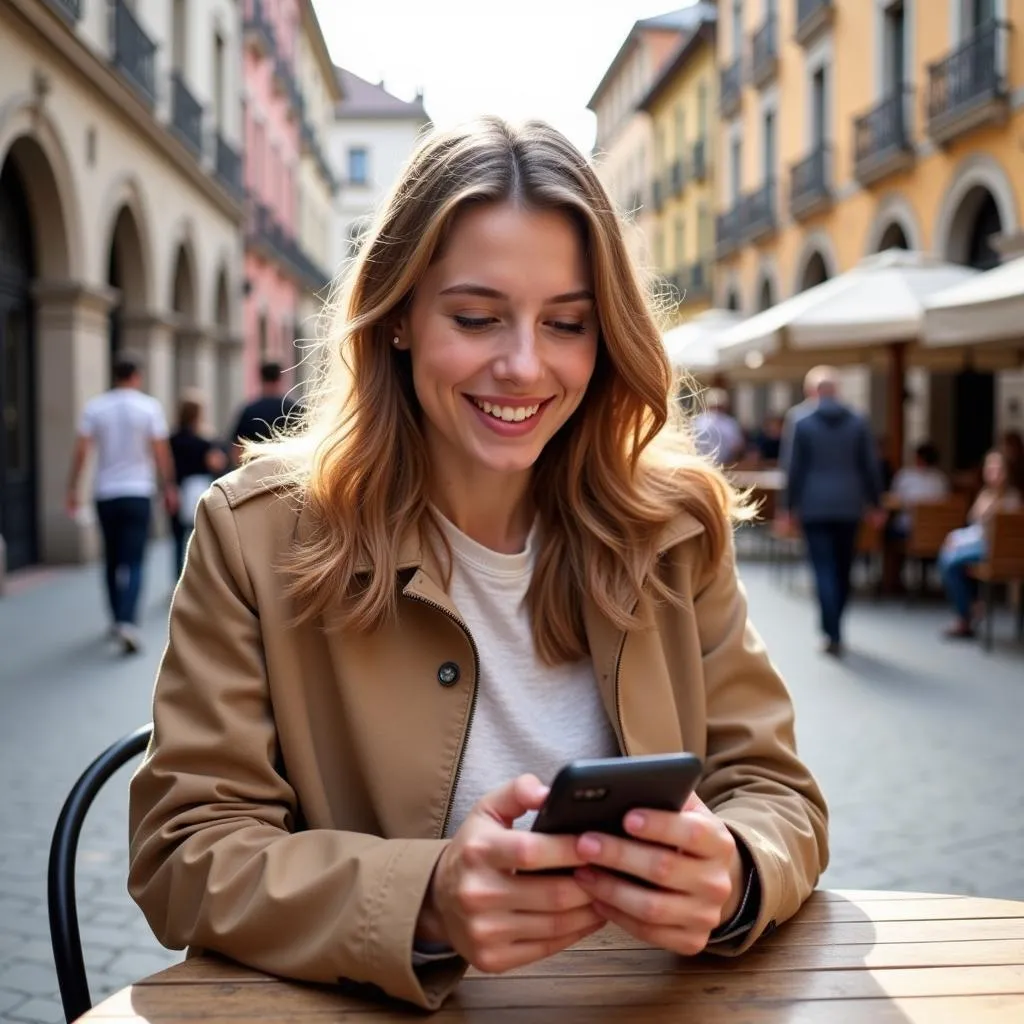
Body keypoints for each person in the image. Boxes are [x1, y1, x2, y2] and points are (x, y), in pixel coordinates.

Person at [128, 117, 828, 1010]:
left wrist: (733, 872)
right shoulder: (256, 533)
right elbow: (184, 850)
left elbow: (776, 793)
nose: (525, 366)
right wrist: (423, 900)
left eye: (568, 323)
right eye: (476, 317)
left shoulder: (674, 527)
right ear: (398, 319)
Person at [66, 353, 177, 654]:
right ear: (136, 376)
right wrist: (169, 486)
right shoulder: (149, 407)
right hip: (138, 492)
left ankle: (117, 618)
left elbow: (82, 451)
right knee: (136, 559)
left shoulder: (96, 407)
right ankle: (128, 620)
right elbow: (160, 452)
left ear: (114, 375)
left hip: (107, 493)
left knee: (112, 559)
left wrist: (73, 488)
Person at [783, 366, 884, 656]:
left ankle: (832, 631)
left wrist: (787, 508)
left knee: (823, 568)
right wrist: (875, 503)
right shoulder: (858, 420)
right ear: (836, 391)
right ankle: (837, 625)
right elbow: (870, 465)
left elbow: (793, 469)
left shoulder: (800, 421)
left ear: (812, 392)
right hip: (850, 505)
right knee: (843, 568)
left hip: (814, 505)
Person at [938, 449, 1022, 639]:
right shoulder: (985, 494)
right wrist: (956, 537)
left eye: (997, 468)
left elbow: (993, 535)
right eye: (989, 467)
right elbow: (975, 528)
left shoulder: (1012, 499)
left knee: (950, 561)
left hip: (997, 552)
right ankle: (971, 605)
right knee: (951, 557)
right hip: (980, 546)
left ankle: (966, 614)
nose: (993, 472)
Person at [168, 390, 228, 579]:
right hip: (199, 488)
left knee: (178, 539)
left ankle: (178, 579)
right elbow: (217, 462)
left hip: (178, 490)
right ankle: (198, 580)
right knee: (201, 537)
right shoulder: (205, 440)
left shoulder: (172, 439)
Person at [230, 361, 301, 464]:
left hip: (256, 466)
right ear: (280, 379)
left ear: (261, 378)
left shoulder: (250, 410)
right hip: (285, 467)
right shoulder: (293, 408)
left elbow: (237, 446)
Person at [888, 442, 950, 537]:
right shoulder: (941, 479)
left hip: (910, 529)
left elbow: (894, 500)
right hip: (936, 530)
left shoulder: (905, 476)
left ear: (918, 457)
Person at [691, 387, 745, 466]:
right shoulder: (729, 423)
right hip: (722, 466)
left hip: (702, 465)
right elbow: (737, 447)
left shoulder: (698, 421)